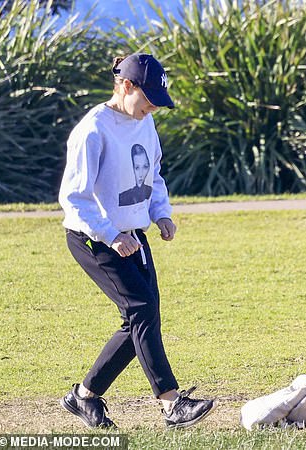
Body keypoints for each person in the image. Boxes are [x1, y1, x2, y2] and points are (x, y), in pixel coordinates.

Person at [58, 53, 216, 429]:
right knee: (141, 310)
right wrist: (111, 235)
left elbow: (153, 174)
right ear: (126, 85)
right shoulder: (93, 129)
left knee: (142, 320)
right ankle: (171, 403)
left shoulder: (144, 124)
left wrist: (161, 213)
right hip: (94, 238)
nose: (151, 110)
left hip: (133, 235)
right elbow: (74, 198)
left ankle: (84, 397)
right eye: (148, 101)